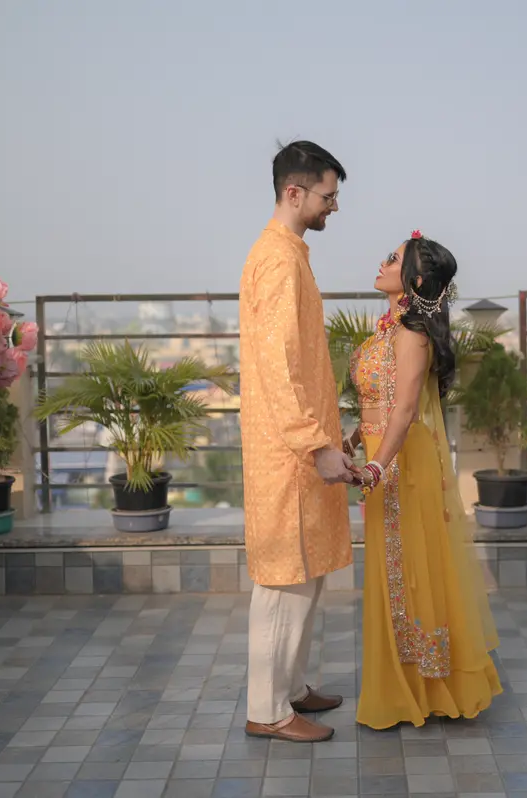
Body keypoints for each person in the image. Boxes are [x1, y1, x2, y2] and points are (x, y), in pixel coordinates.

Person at [348, 230, 503, 730]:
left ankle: (422, 687)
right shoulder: (388, 330)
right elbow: (380, 399)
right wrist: (355, 437)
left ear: (414, 281)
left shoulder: (412, 336)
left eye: (392, 259)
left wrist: (377, 465)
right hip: (381, 456)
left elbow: (406, 409)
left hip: (402, 464)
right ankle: (404, 683)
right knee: (393, 571)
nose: (382, 262)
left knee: (410, 569)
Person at [239, 140, 359, 743]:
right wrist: (315, 444)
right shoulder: (278, 261)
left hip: (299, 445)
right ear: (295, 191)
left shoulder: (290, 254)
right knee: (283, 582)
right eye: (328, 196)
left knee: (305, 575)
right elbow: (278, 366)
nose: (333, 206)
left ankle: (290, 688)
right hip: (287, 452)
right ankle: (267, 711)